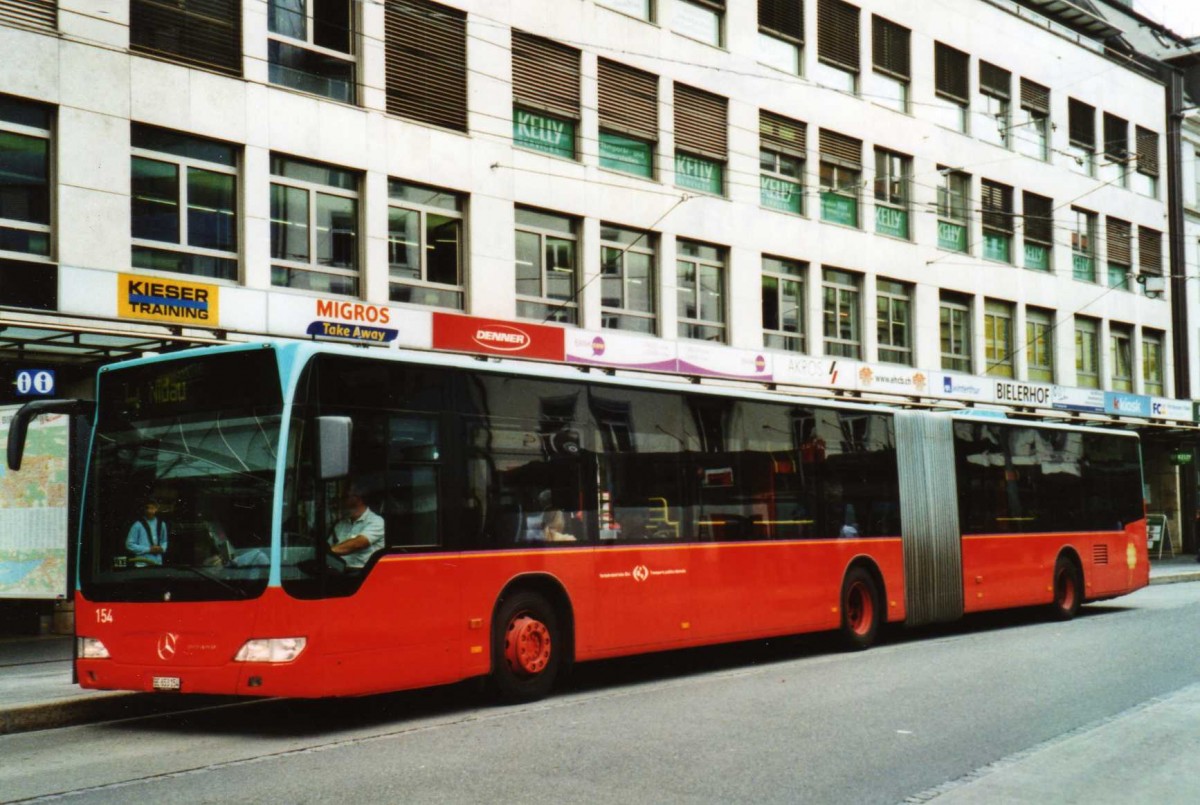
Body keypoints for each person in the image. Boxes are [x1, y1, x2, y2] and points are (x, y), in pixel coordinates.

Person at [329, 485, 386, 569]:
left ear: (359, 499)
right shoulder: (341, 524)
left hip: (363, 573)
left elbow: (358, 543)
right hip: (340, 571)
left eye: (346, 497)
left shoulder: (376, 521)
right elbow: (330, 545)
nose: (342, 501)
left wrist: (327, 554)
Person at [126, 498, 168, 566]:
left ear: (156, 509)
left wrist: (162, 548)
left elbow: (164, 541)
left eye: (152, 508)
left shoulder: (162, 524)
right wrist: (148, 549)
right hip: (142, 563)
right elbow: (129, 545)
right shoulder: (137, 525)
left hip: (157, 563)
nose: (150, 510)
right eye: (147, 508)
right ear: (144, 509)